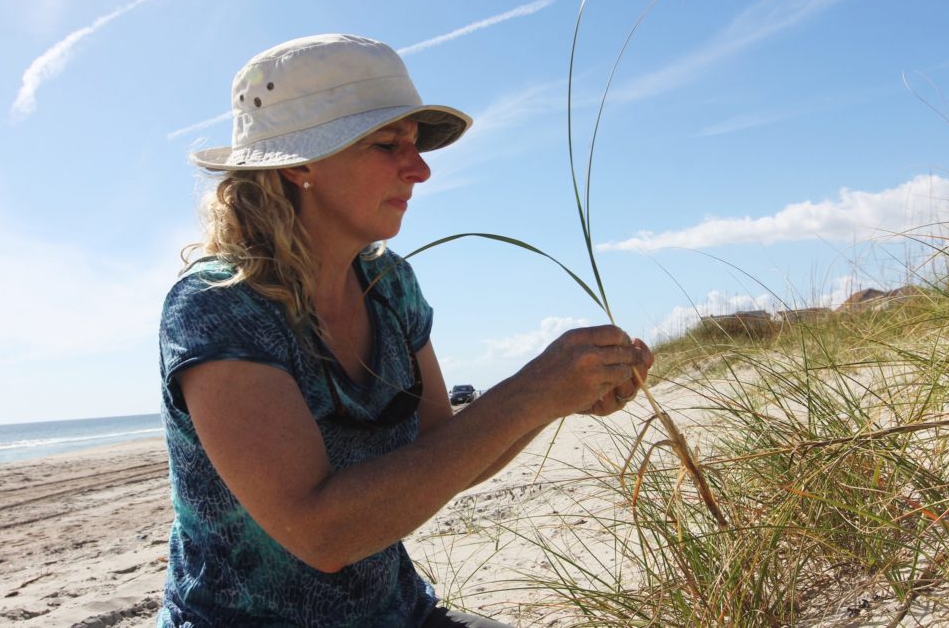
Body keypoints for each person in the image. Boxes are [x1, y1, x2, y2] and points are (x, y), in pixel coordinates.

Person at [157, 34, 653, 628]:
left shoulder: (389, 286)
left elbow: (445, 452)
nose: (418, 169)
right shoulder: (218, 308)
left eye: (415, 145)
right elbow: (322, 533)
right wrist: (530, 393)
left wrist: (560, 399)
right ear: (299, 165)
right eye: (387, 144)